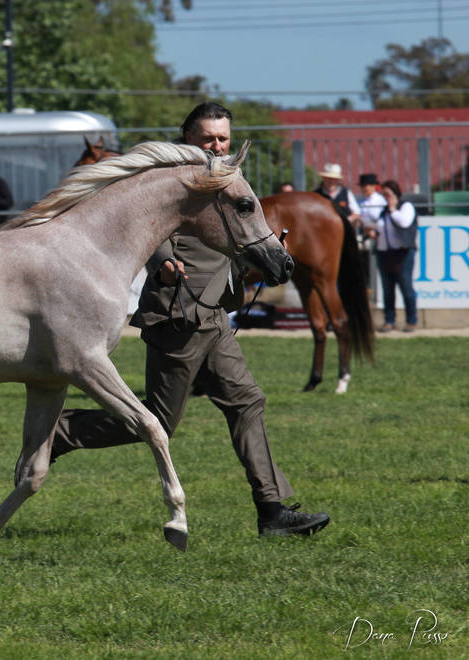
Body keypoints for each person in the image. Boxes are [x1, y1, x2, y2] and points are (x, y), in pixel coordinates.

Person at [49, 101, 331, 538]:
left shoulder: (228, 175)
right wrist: (162, 258)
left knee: (247, 402)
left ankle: (272, 511)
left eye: (223, 137)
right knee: (159, 419)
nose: (217, 145)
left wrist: (273, 251)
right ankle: (60, 432)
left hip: (213, 312)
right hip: (178, 310)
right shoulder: (166, 179)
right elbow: (137, 223)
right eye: (208, 138)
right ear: (187, 138)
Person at [366, 180, 418, 332]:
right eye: (384, 195)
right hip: (385, 254)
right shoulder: (384, 211)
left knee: (406, 287)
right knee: (387, 289)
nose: (386, 198)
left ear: (396, 194)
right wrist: (374, 233)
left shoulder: (405, 207)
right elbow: (381, 228)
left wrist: (393, 209)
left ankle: (411, 320)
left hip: (402, 254)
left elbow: (404, 223)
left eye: (388, 194)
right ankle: (389, 320)